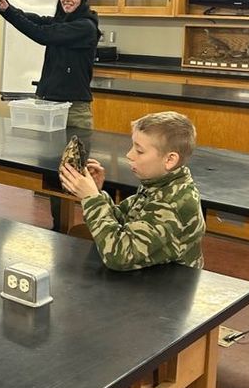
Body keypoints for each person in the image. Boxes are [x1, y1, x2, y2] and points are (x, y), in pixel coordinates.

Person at [59, 111, 206, 271]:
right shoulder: (158, 184)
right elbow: (122, 221)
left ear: (169, 160)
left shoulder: (172, 203)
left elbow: (119, 255)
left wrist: (92, 198)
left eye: (139, 151)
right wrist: (97, 193)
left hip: (165, 290)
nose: (129, 155)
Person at [0, 0, 100, 130]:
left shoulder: (85, 27)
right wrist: (6, 8)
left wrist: (8, 11)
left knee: (74, 155)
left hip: (73, 110)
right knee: (44, 155)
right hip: (47, 105)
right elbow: (37, 20)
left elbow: (42, 34)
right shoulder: (61, 22)